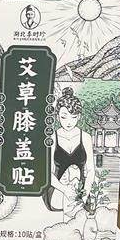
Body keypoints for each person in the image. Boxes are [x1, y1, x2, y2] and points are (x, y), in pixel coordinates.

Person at [43, 88, 95, 216]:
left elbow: (90, 170)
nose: (69, 122)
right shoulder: (52, 138)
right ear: (57, 116)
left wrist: (85, 194)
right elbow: (47, 172)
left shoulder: (86, 137)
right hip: (58, 188)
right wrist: (65, 190)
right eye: (64, 117)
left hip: (80, 189)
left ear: (79, 116)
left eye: (73, 117)